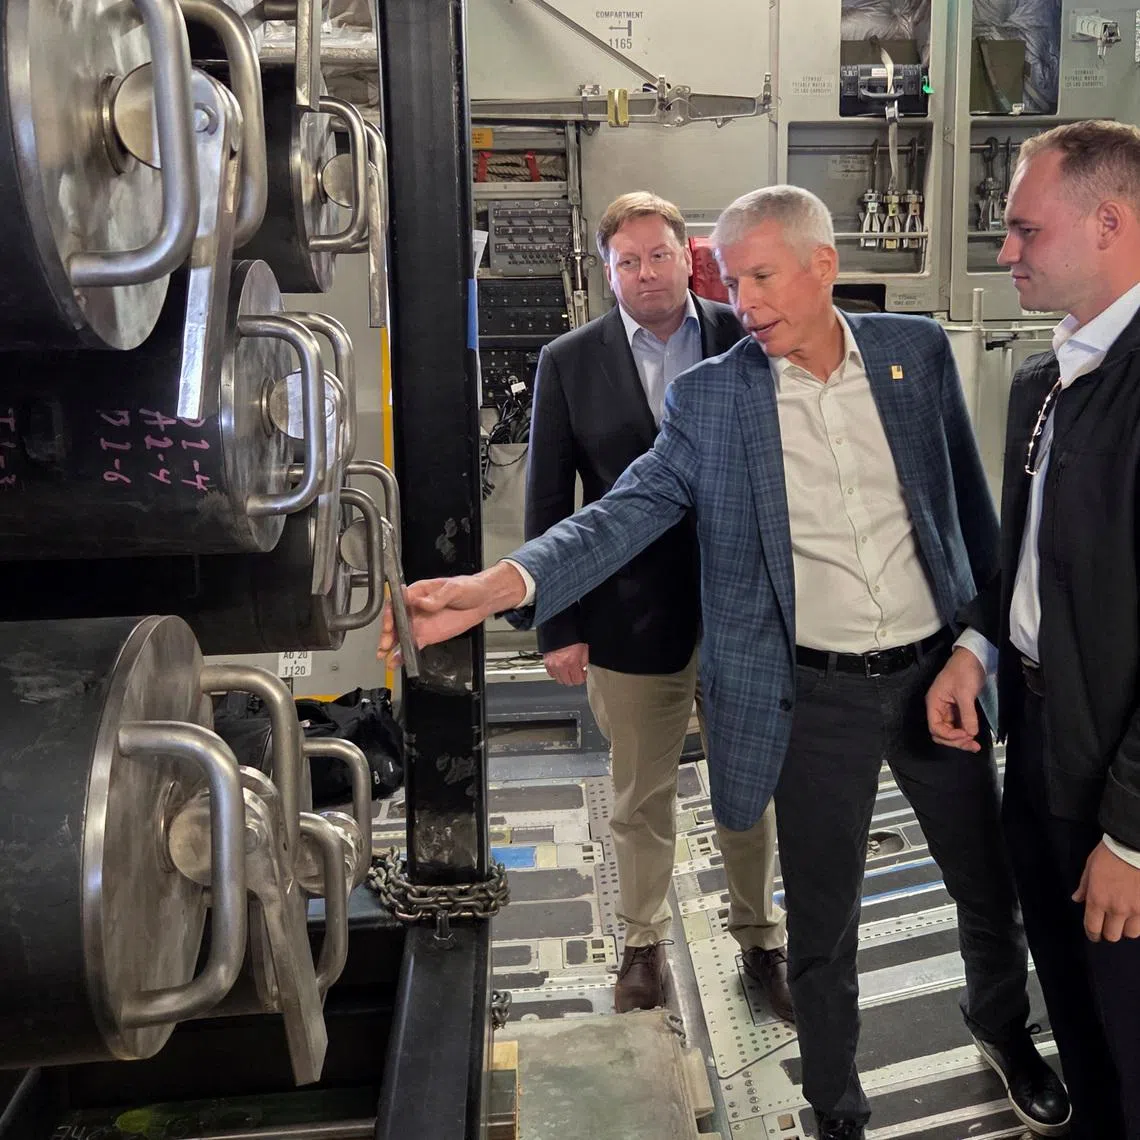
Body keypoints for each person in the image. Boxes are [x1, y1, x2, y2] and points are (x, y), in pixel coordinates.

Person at [380, 185, 1067, 1140]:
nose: (743, 303)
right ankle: (836, 1107)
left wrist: (980, 645)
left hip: (937, 680)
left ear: (823, 264)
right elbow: (619, 513)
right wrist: (496, 587)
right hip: (814, 696)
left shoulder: (914, 355)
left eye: (762, 277)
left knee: (988, 887)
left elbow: (971, 519)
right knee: (820, 925)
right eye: (733, 281)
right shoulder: (714, 396)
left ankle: (1002, 1027)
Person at [526, 191, 790, 1017]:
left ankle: (761, 941)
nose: (646, 273)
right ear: (607, 273)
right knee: (640, 796)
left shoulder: (747, 336)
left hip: (741, 611)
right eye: (627, 262)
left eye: (659, 255)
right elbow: (549, 501)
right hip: (628, 619)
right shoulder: (569, 362)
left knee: (749, 787)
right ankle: (642, 945)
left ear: (688, 257)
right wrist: (558, 624)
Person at [927, 119, 1140, 1140]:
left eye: (1025, 230)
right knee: (1077, 1010)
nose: (1004, 251)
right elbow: (1030, 559)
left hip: (1121, 782)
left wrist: (1132, 837)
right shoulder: (1045, 382)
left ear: (1110, 222)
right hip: (1044, 747)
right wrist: (977, 648)